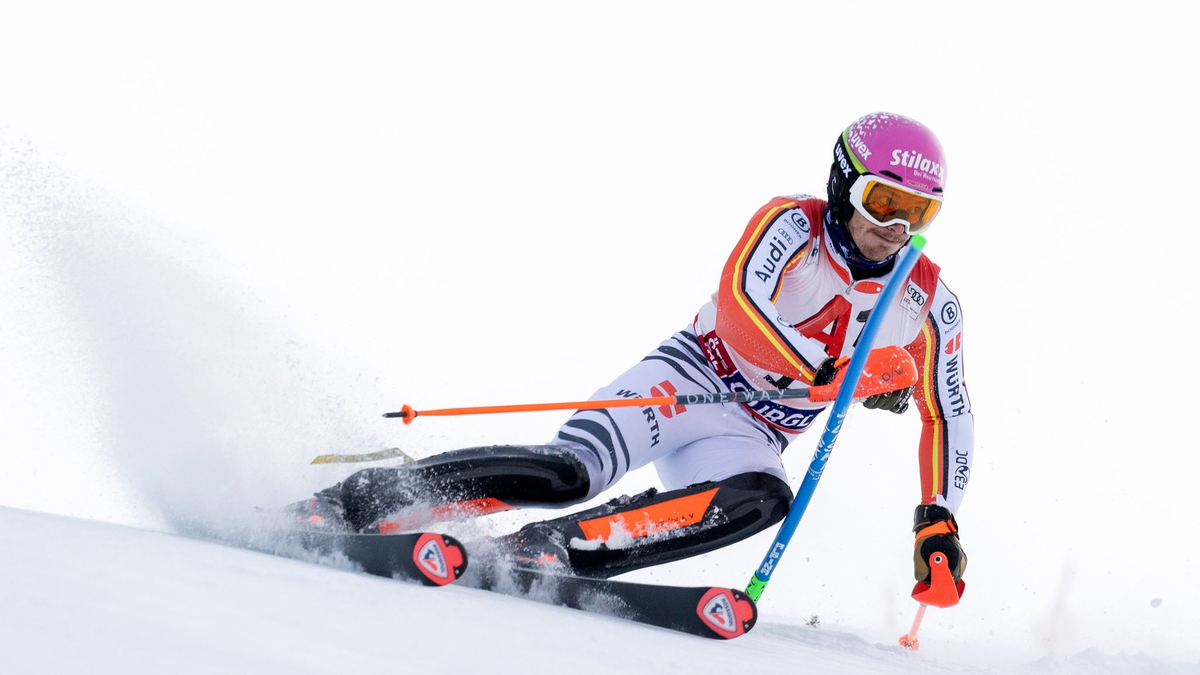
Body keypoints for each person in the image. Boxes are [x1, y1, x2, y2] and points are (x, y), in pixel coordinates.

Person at [290, 112, 973, 587]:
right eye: (884, 201)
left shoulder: (929, 300)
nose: (896, 228)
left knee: (766, 497)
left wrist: (936, 520)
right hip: (688, 380)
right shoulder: (792, 224)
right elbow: (739, 307)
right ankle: (357, 498)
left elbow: (948, 411)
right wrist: (835, 373)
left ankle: (557, 548)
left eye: (919, 213)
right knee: (571, 472)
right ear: (843, 181)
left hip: (757, 430)